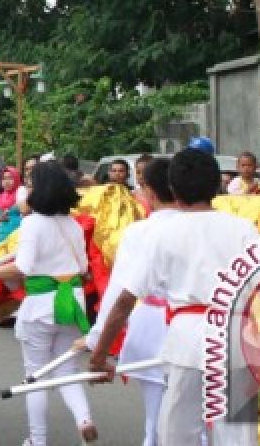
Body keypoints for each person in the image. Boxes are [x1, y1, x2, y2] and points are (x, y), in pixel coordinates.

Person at [88, 148, 259, 446]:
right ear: (217, 185)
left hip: (186, 342)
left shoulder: (163, 232)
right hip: (236, 337)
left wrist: (100, 355)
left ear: (174, 190)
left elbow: (126, 300)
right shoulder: (244, 229)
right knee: (237, 432)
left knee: (177, 430)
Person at [0, 161, 97, 445]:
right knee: (67, 370)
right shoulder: (72, 225)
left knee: (35, 374)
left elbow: (21, 268)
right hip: (71, 303)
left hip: (41, 305)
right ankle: (83, 418)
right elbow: (84, 267)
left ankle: (37, 440)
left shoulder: (33, 224)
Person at [82, 158, 177, 446]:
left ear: (148, 190)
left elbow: (120, 293)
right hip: (206, 328)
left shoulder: (140, 232)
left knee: (157, 416)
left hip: (155, 323)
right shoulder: (220, 228)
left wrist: (96, 343)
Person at [0, 166, 24, 244]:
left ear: (16, 179)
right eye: (4, 179)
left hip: (18, 238)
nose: (6, 182)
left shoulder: (22, 195)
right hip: (2, 238)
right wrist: (0, 218)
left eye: (10, 178)